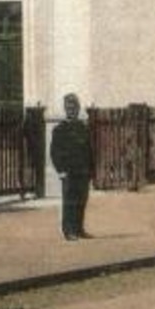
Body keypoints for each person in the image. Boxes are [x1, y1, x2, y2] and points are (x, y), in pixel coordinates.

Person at [49, 92, 93, 241]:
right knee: (69, 202)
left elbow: (89, 150)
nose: (72, 109)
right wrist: (60, 170)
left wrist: (91, 171)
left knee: (82, 200)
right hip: (68, 172)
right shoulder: (59, 130)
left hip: (83, 171)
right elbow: (55, 152)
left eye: (74, 106)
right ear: (65, 109)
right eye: (69, 107)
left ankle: (79, 229)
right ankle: (68, 231)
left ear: (78, 108)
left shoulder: (83, 127)